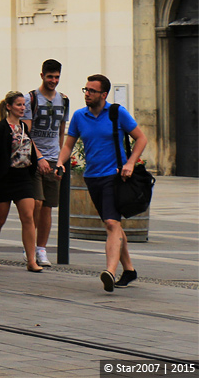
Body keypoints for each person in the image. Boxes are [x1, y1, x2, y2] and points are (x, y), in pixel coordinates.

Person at [55, 74, 148, 292]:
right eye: (85, 90)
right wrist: (60, 162)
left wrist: (131, 163)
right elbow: (69, 145)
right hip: (92, 178)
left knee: (111, 224)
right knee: (113, 223)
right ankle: (129, 270)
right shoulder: (79, 116)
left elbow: (141, 138)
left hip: (115, 177)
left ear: (103, 95)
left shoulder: (117, 113)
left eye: (92, 91)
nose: (87, 94)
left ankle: (109, 271)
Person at [0, 91, 52, 271]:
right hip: (6, 177)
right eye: (19, 105)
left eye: (23, 105)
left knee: (28, 217)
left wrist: (41, 164)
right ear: (9, 107)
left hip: (23, 177)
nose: (22, 108)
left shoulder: (24, 127)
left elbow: (29, 151)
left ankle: (31, 260)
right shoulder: (0, 128)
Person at [24, 59, 69, 267]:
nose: (54, 81)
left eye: (57, 77)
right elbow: (26, 132)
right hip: (33, 158)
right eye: (50, 77)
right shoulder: (30, 98)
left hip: (53, 158)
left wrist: (60, 159)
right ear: (42, 75)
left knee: (48, 206)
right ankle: (31, 248)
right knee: (37, 203)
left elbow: (61, 131)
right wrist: (39, 156)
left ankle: (42, 249)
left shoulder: (64, 100)